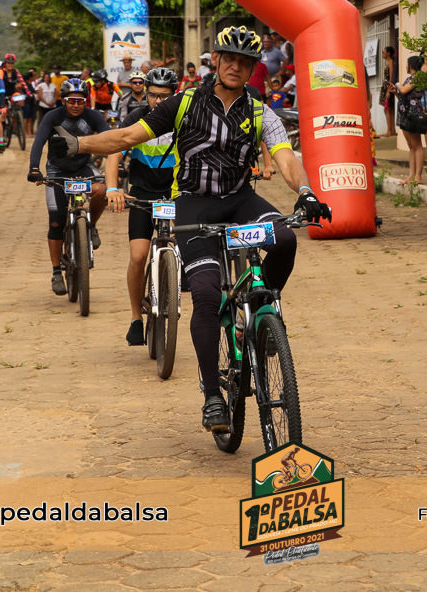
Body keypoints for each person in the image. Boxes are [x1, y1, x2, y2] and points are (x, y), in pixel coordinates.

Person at [46, 25, 331, 433]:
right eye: (228, 58)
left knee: (285, 237)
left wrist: (304, 191)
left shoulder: (258, 110)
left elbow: (285, 155)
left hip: (241, 200)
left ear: (252, 68)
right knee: (205, 293)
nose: (235, 66)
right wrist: (79, 146)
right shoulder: (183, 104)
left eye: (244, 61)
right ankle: (213, 396)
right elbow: (127, 136)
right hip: (192, 203)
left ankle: (263, 307)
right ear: (215, 60)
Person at [104, 66, 179, 345]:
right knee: (138, 257)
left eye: (165, 96)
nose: (158, 102)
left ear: (175, 95)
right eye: (153, 95)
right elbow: (114, 154)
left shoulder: (183, 119)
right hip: (143, 196)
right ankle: (136, 317)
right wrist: (113, 189)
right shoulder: (136, 118)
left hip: (177, 196)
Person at [28, 78, 111, 295]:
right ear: (63, 101)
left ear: (86, 101)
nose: (76, 104)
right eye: (71, 100)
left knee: (102, 190)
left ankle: (90, 227)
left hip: (83, 167)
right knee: (56, 220)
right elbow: (38, 143)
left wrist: (115, 162)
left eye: (80, 101)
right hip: (57, 171)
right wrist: (34, 168)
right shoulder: (52, 117)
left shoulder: (93, 116)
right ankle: (56, 271)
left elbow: (109, 137)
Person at [397, 56, 427, 186]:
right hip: (405, 113)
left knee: (417, 145)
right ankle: (411, 175)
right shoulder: (409, 79)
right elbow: (403, 94)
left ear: (411, 65)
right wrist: (396, 91)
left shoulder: (418, 77)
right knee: (411, 146)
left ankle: (418, 176)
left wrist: (398, 85)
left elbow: (404, 89)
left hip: (414, 114)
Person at [379, 62, 396, 138]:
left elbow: (391, 79)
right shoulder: (388, 63)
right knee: (389, 109)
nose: (383, 53)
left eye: (384, 52)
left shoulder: (391, 63)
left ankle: (389, 131)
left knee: (387, 109)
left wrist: (388, 91)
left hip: (388, 88)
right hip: (386, 87)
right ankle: (392, 130)